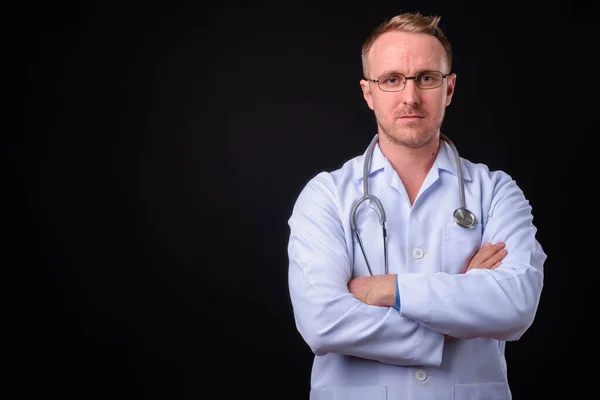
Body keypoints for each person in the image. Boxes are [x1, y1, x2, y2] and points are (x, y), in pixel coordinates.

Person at [286, 11, 546, 400]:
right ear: (368, 92)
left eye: (426, 78)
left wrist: (389, 289)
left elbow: (515, 305)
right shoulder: (325, 195)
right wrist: (460, 306)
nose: (410, 97)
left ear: (450, 88)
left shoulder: (496, 192)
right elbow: (322, 322)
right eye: (391, 80)